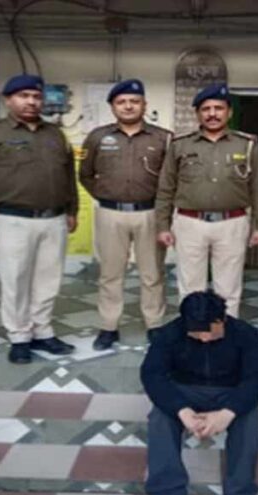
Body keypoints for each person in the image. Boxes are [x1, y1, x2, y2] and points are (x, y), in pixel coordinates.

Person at [0, 73, 79, 364]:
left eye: (36, 96)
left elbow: (69, 176)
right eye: (23, 96)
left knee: (48, 280)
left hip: (54, 219)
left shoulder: (55, 134)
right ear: (8, 100)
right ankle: (19, 336)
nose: (31, 101)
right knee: (16, 280)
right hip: (13, 220)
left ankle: (42, 331)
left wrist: (72, 211)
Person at [141, 291, 258, 495]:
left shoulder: (245, 334)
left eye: (210, 331)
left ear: (223, 320)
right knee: (160, 419)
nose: (204, 338)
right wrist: (181, 409)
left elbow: (257, 378)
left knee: (250, 420)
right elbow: (152, 375)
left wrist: (228, 412)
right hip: (184, 390)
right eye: (196, 333)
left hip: (229, 392)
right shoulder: (169, 334)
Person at [154, 83, 258, 318]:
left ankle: (226, 332)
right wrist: (163, 225)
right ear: (198, 114)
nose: (212, 114)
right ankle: (194, 331)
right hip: (189, 223)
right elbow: (166, 188)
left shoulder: (247, 144)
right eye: (206, 109)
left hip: (232, 223)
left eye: (219, 108)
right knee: (190, 286)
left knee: (228, 287)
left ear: (229, 112)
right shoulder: (180, 145)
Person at [79, 79, 173, 350]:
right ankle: (108, 327)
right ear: (112, 106)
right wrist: (105, 194)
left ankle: (154, 325)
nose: (128, 106)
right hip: (110, 214)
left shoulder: (163, 138)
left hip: (150, 213)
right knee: (110, 274)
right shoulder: (97, 137)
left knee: (152, 273)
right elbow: (85, 174)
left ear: (144, 104)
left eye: (134, 101)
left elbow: (172, 179)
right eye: (121, 102)